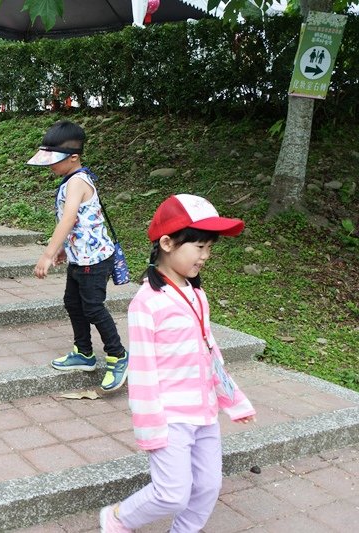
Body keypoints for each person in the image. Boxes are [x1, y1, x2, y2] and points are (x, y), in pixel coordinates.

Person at [99, 194, 257, 533]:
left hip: (205, 412)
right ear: (167, 243)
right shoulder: (146, 303)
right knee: (172, 493)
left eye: (209, 248)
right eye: (199, 246)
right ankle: (117, 518)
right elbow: (141, 371)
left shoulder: (197, 295)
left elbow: (210, 351)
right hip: (169, 418)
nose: (205, 256)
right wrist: (151, 427)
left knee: (208, 487)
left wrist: (233, 400)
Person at [28, 120, 129, 392]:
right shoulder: (70, 179)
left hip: (94, 260)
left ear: (73, 157)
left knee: (93, 307)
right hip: (80, 258)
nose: (50, 165)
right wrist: (63, 248)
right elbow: (77, 222)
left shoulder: (77, 182)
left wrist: (48, 254)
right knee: (73, 303)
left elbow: (69, 217)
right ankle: (83, 353)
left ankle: (118, 356)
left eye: (54, 160)